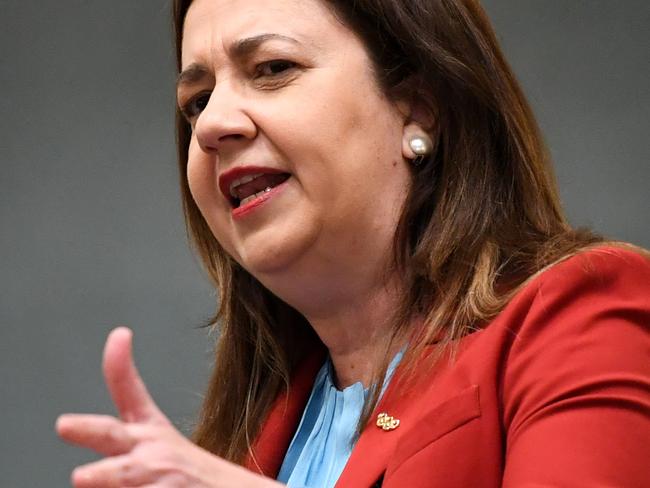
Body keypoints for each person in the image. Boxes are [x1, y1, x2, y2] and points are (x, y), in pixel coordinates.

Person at [56, 0, 650, 486]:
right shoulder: (253, 433)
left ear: (419, 109)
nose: (211, 125)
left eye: (271, 68)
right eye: (197, 101)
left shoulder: (581, 314)